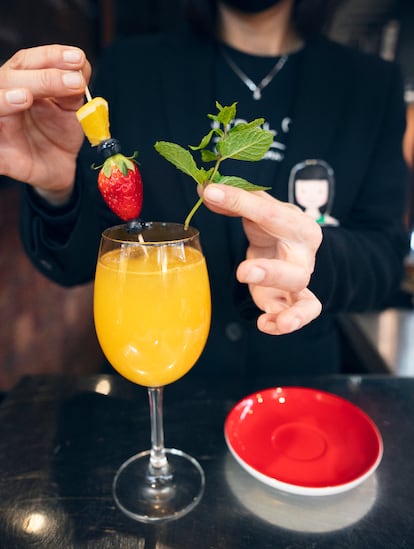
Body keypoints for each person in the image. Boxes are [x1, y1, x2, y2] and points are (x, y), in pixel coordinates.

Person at [0, 0, 409, 379]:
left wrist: (312, 260)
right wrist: (57, 189)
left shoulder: (372, 84)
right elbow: (80, 261)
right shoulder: (132, 67)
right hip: (154, 371)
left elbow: (384, 261)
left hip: (298, 386)